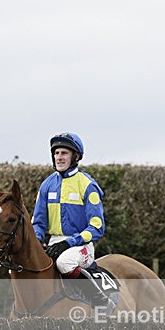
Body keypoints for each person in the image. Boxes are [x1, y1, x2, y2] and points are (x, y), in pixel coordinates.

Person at [32, 132, 118, 308]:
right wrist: (37, 242)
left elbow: (97, 227)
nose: (59, 157)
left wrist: (69, 242)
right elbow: (38, 223)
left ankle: (101, 302)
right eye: (56, 153)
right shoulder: (47, 185)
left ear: (75, 157)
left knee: (65, 263)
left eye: (64, 153)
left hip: (81, 246)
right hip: (54, 243)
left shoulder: (87, 185)